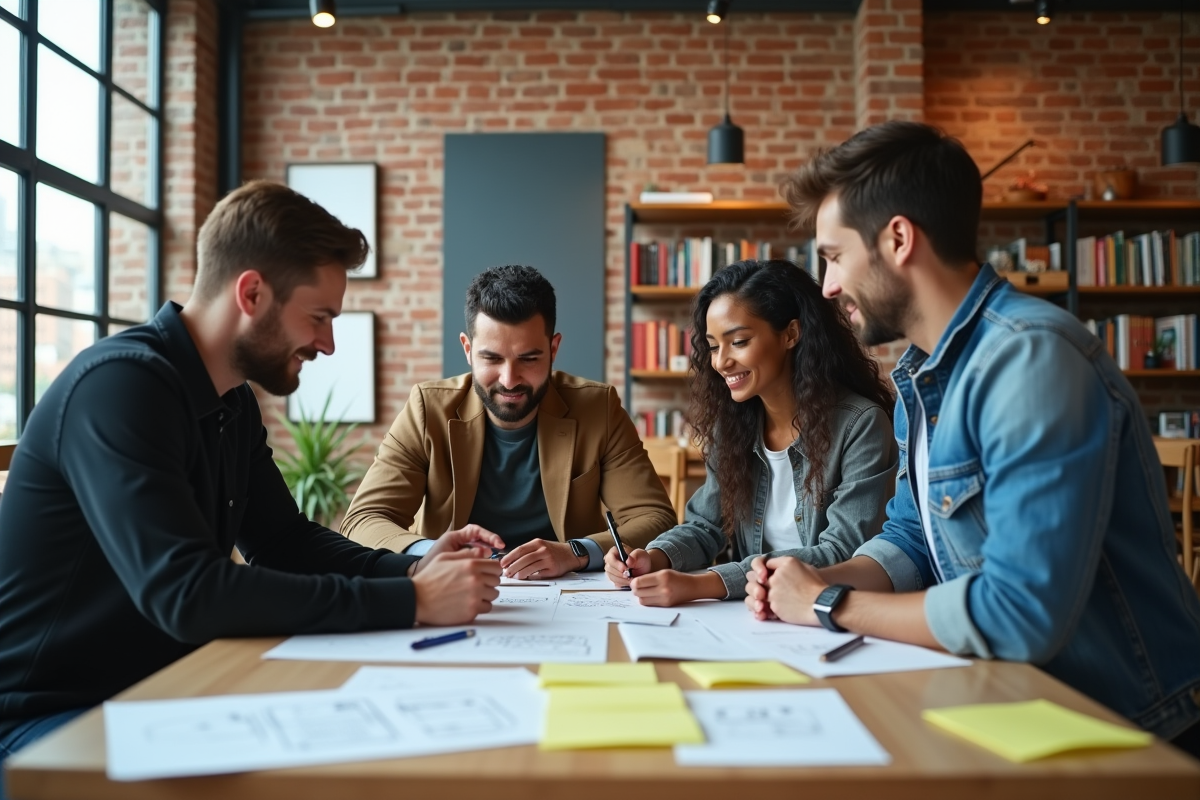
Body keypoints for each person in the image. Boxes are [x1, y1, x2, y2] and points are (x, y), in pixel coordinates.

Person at [0, 181, 502, 783]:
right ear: (252, 292)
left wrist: (412, 569)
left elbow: (285, 541)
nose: (328, 342)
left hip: (168, 686)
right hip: (48, 718)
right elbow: (187, 593)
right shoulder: (120, 388)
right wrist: (414, 602)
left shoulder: (230, 401)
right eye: (318, 317)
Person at [746, 120, 1200, 755]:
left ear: (898, 238)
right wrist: (807, 576)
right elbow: (913, 539)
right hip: (1016, 709)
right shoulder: (924, 376)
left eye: (833, 256)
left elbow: (1018, 612)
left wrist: (830, 603)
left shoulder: (1030, 361)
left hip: (1128, 731)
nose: (826, 287)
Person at [341, 265, 677, 580]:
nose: (510, 379)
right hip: (455, 589)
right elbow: (362, 520)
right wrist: (434, 553)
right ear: (468, 349)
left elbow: (655, 518)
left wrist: (576, 552)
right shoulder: (427, 409)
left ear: (554, 348)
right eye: (492, 358)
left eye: (529, 359)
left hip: (571, 597)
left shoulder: (597, 407)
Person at [603, 259, 897, 606]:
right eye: (713, 346)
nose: (720, 361)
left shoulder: (860, 425)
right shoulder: (732, 428)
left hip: (823, 614)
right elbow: (705, 527)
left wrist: (706, 584)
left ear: (791, 333)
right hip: (753, 615)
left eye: (738, 341)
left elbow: (843, 552)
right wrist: (652, 558)